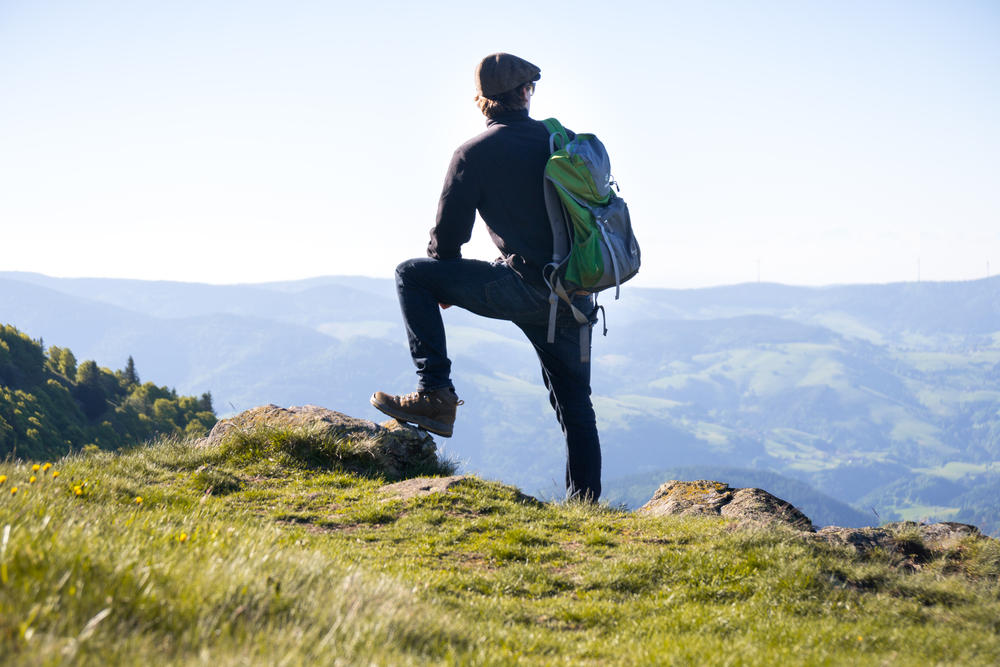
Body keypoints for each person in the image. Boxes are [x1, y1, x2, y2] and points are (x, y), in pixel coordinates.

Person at [371, 53, 602, 501]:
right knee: (575, 407)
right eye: (530, 88)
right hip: (573, 294)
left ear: (483, 102)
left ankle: (435, 394)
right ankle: (587, 508)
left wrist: (446, 282)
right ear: (522, 94)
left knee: (411, 276)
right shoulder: (565, 142)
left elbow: (449, 238)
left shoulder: (473, 154)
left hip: (518, 286)